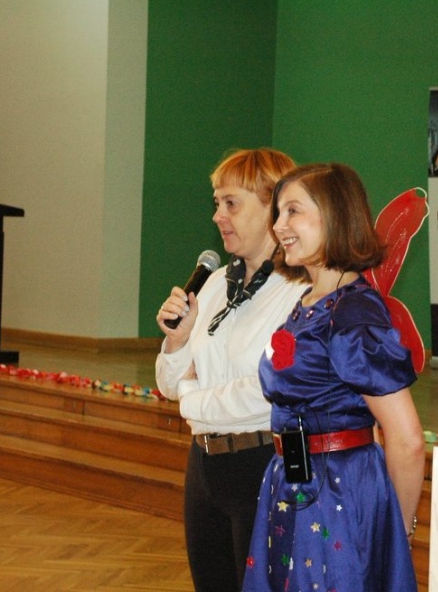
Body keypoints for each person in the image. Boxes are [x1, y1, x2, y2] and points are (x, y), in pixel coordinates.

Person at [242, 163, 425, 592]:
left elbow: (407, 440)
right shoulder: (311, 300)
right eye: (278, 213)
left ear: (335, 216)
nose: (278, 226)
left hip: (336, 496)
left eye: (293, 211)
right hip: (295, 485)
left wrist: (394, 531)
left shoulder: (353, 313)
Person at [155, 148, 309, 591]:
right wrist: (177, 343)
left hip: (263, 466)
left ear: (272, 209)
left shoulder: (299, 292)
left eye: (231, 204)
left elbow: (264, 391)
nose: (217, 216)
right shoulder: (214, 284)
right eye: (216, 203)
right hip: (203, 467)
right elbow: (168, 384)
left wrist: (192, 397)